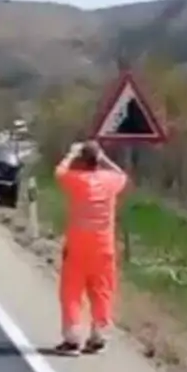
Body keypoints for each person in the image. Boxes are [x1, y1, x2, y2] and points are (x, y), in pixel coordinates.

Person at [52, 139, 130, 355]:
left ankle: (72, 338)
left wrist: (71, 153)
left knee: (71, 292)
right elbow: (122, 174)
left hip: (77, 247)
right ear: (97, 161)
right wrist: (103, 157)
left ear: (81, 161)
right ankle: (99, 335)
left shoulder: (76, 180)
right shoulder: (110, 181)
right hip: (103, 247)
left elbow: (59, 171)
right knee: (102, 291)